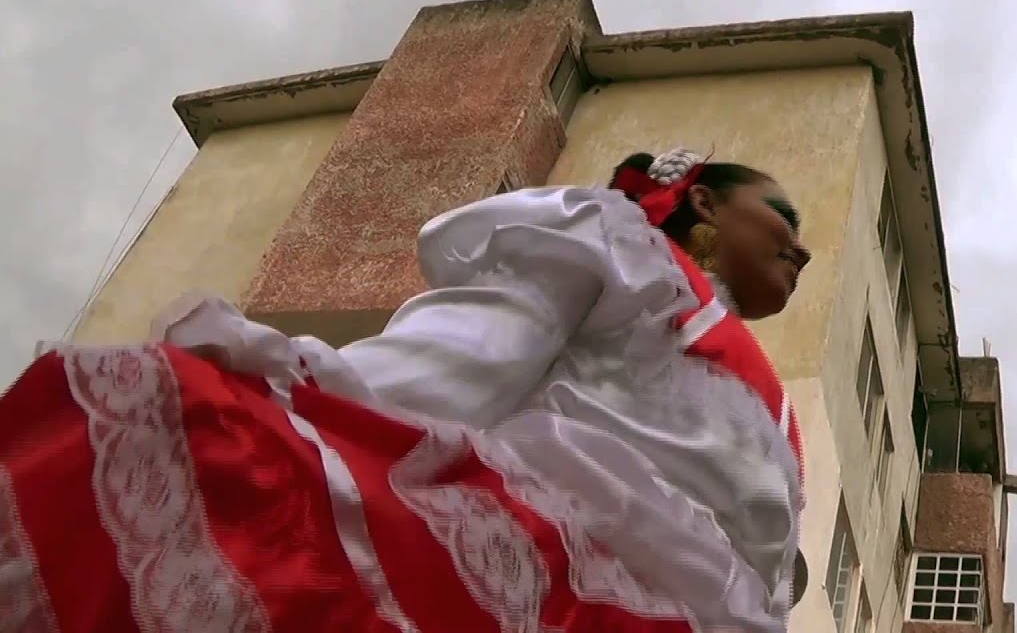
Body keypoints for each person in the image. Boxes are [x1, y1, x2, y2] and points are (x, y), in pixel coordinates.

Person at [0, 147, 811, 633]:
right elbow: (474, 353)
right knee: (188, 433)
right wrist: (297, 396)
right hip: (567, 579)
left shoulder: (775, 410)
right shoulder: (624, 251)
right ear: (702, 199)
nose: (801, 250)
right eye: (783, 217)